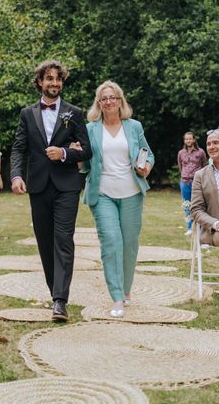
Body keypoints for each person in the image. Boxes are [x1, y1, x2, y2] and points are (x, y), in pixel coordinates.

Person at [10, 59, 92, 321]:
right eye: (49, 79)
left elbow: (87, 150)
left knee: (63, 239)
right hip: (37, 185)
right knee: (45, 243)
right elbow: (19, 148)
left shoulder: (74, 113)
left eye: (58, 79)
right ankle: (54, 291)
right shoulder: (27, 114)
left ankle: (60, 301)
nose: (54, 83)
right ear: (40, 82)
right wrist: (15, 176)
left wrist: (65, 152)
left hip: (67, 185)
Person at [79, 80, 154, 317]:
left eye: (113, 97)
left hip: (132, 192)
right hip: (102, 194)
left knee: (129, 244)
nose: (109, 101)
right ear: (98, 103)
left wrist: (146, 167)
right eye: (104, 98)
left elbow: (147, 154)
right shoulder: (90, 129)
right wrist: (76, 156)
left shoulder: (133, 126)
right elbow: (83, 162)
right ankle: (117, 297)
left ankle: (126, 289)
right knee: (112, 242)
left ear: (120, 101)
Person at [177, 131, 206, 234]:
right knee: (187, 204)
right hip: (185, 181)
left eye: (190, 138)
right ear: (184, 141)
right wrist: (184, 175)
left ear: (194, 140)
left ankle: (199, 226)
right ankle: (190, 227)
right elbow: (180, 166)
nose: (188, 140)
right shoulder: (181, 153)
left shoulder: (200, 152)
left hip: (197, 182)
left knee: (198, 204)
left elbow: (204, 165)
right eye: (186, 139)